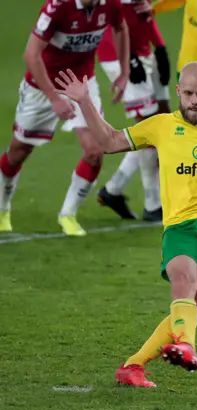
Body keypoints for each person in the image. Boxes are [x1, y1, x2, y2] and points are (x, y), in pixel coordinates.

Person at [55, 62, 197, 388]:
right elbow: (110, 142)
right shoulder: (161, 126)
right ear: (178, 93)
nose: (195, 101)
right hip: (180, 225)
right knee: (183, 280)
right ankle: (185, 345)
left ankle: (133, 366)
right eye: (188, 94)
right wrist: (85, 101)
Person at [0, 0, 129, 235]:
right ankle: (2, 207)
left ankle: (68, 214)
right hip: (42, 86)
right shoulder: (57, 7)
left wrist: (124, 72)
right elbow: (31, 54)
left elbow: (121, 27)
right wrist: (54, 98)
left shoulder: (111, 4)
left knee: (95, 151)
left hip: (81, 83)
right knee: (19, 151)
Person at [95, 0, 171, 221]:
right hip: (118, 54)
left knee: (164, 120)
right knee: (150, 127)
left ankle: (113, 190)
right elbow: (110, 14)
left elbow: (144, 10)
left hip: (142, 49)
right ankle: (153, 204)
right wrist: (127, 58)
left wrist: (161, 47)